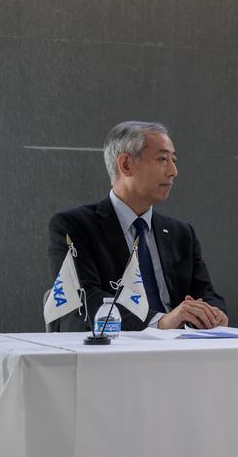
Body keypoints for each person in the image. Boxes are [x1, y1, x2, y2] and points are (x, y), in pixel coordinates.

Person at [46, 121, 228, 332]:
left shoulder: (181, 233)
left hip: (180, 351)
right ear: (126, 164)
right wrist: (159, 322)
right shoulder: (74, 226)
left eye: (174, 160)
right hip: (111, 352)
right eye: (162, 159)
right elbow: (86, 296)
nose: (173, 171)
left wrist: (213, 313)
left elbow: (207, 294)